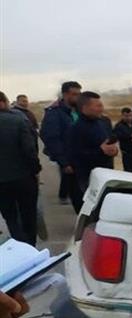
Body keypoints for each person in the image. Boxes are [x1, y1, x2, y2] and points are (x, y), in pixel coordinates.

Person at [0, 91, 40, 246]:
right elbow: (29, 150)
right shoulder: (17, 121)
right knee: (28, 213)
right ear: (3, 102)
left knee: (10, 216)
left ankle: (19, 244)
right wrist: (35, 170)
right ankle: (31, 246)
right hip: (23, 177)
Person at [41, 81, 82, 212]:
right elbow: (52, 139)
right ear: (65, 94)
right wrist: (63, 162)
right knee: (78, 197)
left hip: (84, 159)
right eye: (74, 94)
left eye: (79, 94)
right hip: (70, 161)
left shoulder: (80, 111)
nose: (77, 97)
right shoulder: (55, 113)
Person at [69, 92, 118, 198]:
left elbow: (110, 141)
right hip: (89, 178)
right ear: (85, 107)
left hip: (107, 173)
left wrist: (114, 150)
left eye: (102, 105)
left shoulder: (103, 122)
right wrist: (100, 151)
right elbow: (75, 155)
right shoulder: (76, 129)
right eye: (98, 106)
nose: (101, 109)